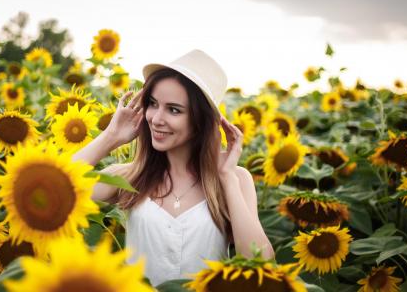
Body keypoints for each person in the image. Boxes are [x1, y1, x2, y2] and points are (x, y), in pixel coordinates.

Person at [72, 49, 274, 286]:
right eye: (153, 104)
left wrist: (226, 176)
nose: (156, 119)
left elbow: (261, 263)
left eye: (174, 109)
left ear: (200, 120)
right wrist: (111, 136)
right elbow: (57, 188)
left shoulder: (236, 179)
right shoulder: (129, 175)